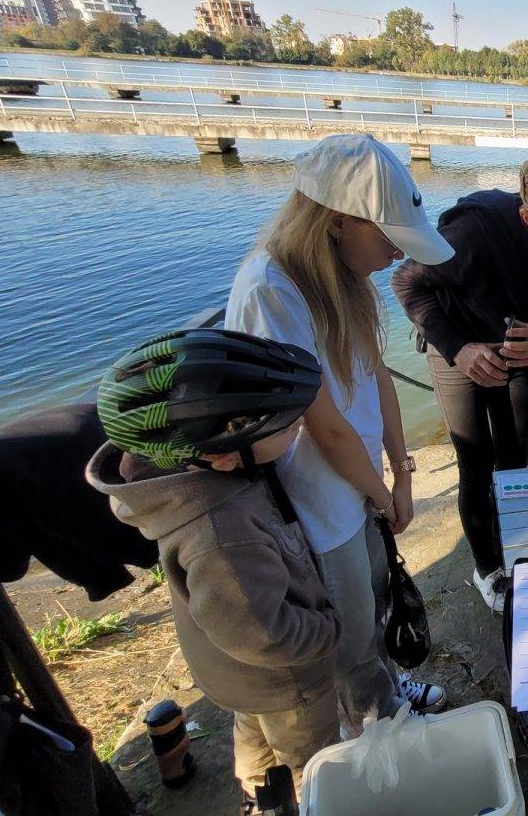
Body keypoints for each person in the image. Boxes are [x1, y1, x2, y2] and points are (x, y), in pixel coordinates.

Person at [225, 134, 449, 735]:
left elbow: (375, 373)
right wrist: (381, 495)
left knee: (374, 597)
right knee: (346, 625)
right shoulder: (272, 288)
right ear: (338, 221)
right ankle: (379, 732)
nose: (398, 258)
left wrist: (401, 472)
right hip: (314, 502)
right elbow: (320, 423)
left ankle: (387, 690)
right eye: (389, 240)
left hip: (356, 488)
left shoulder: (343, 278)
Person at [87, 328, 341, 805]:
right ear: (224, 455)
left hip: (239, 678)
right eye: (286, 426)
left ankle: (258, 787)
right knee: (315, 763)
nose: (299, 428)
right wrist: (327, 630)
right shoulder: (222, 532)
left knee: (255, 732)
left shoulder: (188, 482)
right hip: (288, 680)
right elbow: (263, 634)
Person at [391, 145, 528, 612]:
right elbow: (407, 283)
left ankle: (512, 544)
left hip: (515, 348)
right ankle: (486, 566)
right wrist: (459, 349)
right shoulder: (470, 235)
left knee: (515, 459)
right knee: (475, 462)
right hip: (458, 345)